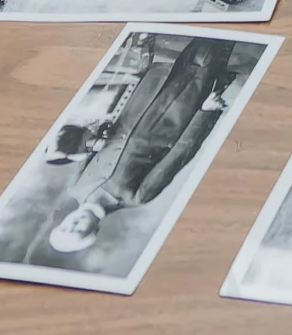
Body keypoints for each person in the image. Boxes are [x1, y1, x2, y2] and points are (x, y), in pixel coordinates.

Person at [45, 39, 240, 256]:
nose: (73, 224)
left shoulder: (76, 187)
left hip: (140, 100)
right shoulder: (136, 197)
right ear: (94, 231)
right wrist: (205, 113)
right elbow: (180, 155)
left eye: (65, 227)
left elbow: (93, 145)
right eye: (78, 231)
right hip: (176, 112)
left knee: (192, 50)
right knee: (209, 55)